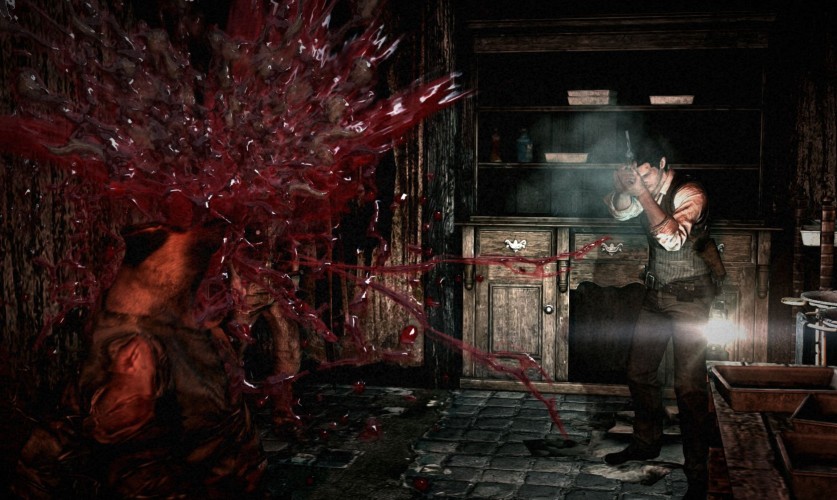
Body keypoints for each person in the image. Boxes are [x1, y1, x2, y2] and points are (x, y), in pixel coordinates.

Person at [602, 138, 719, 499]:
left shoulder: (690, 193)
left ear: (663, 163)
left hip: (691, 298)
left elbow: (673, 240)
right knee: (638, 372)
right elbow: (620, 211)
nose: (643, 181)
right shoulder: (645, 187)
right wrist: (623, 190)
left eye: (646, 174)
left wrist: (640, 192)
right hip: (655, 295)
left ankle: (698, 471)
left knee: (689, 387)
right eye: (636, 175)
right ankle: (646, 442)